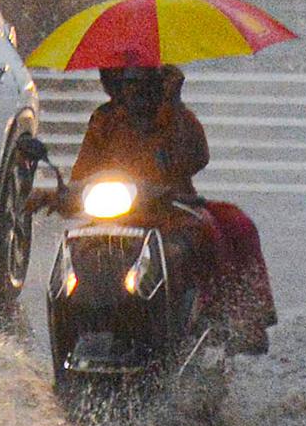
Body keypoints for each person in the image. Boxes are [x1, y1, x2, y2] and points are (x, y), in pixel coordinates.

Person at [72, 64, 272, 352]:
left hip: (172, 214)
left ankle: (228, 317)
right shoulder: (104, 121)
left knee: (232, 226)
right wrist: (59, 194)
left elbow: (197, 157)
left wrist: (174, 106)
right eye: (128, 83)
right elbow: (81, 175)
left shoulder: (174, 118)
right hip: (116, 217)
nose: (136, 92)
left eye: (144, 83)